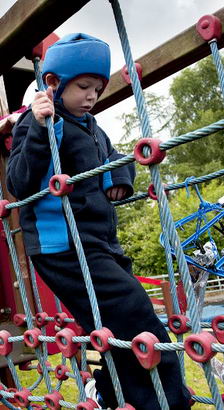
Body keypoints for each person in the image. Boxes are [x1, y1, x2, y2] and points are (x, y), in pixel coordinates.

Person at [7, 33, 190, 409]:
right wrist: (43, 129)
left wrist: (120, 179)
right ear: (53, 84)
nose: (92, 96)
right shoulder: (35, 122)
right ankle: (164, 400)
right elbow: (19, 181)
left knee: (111, 321)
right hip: (63, 244)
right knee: (132, 306)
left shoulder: (92, 126)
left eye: (98, 88)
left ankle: (113, 392)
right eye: (83, 86)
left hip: (100, 239)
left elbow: (114, 158)